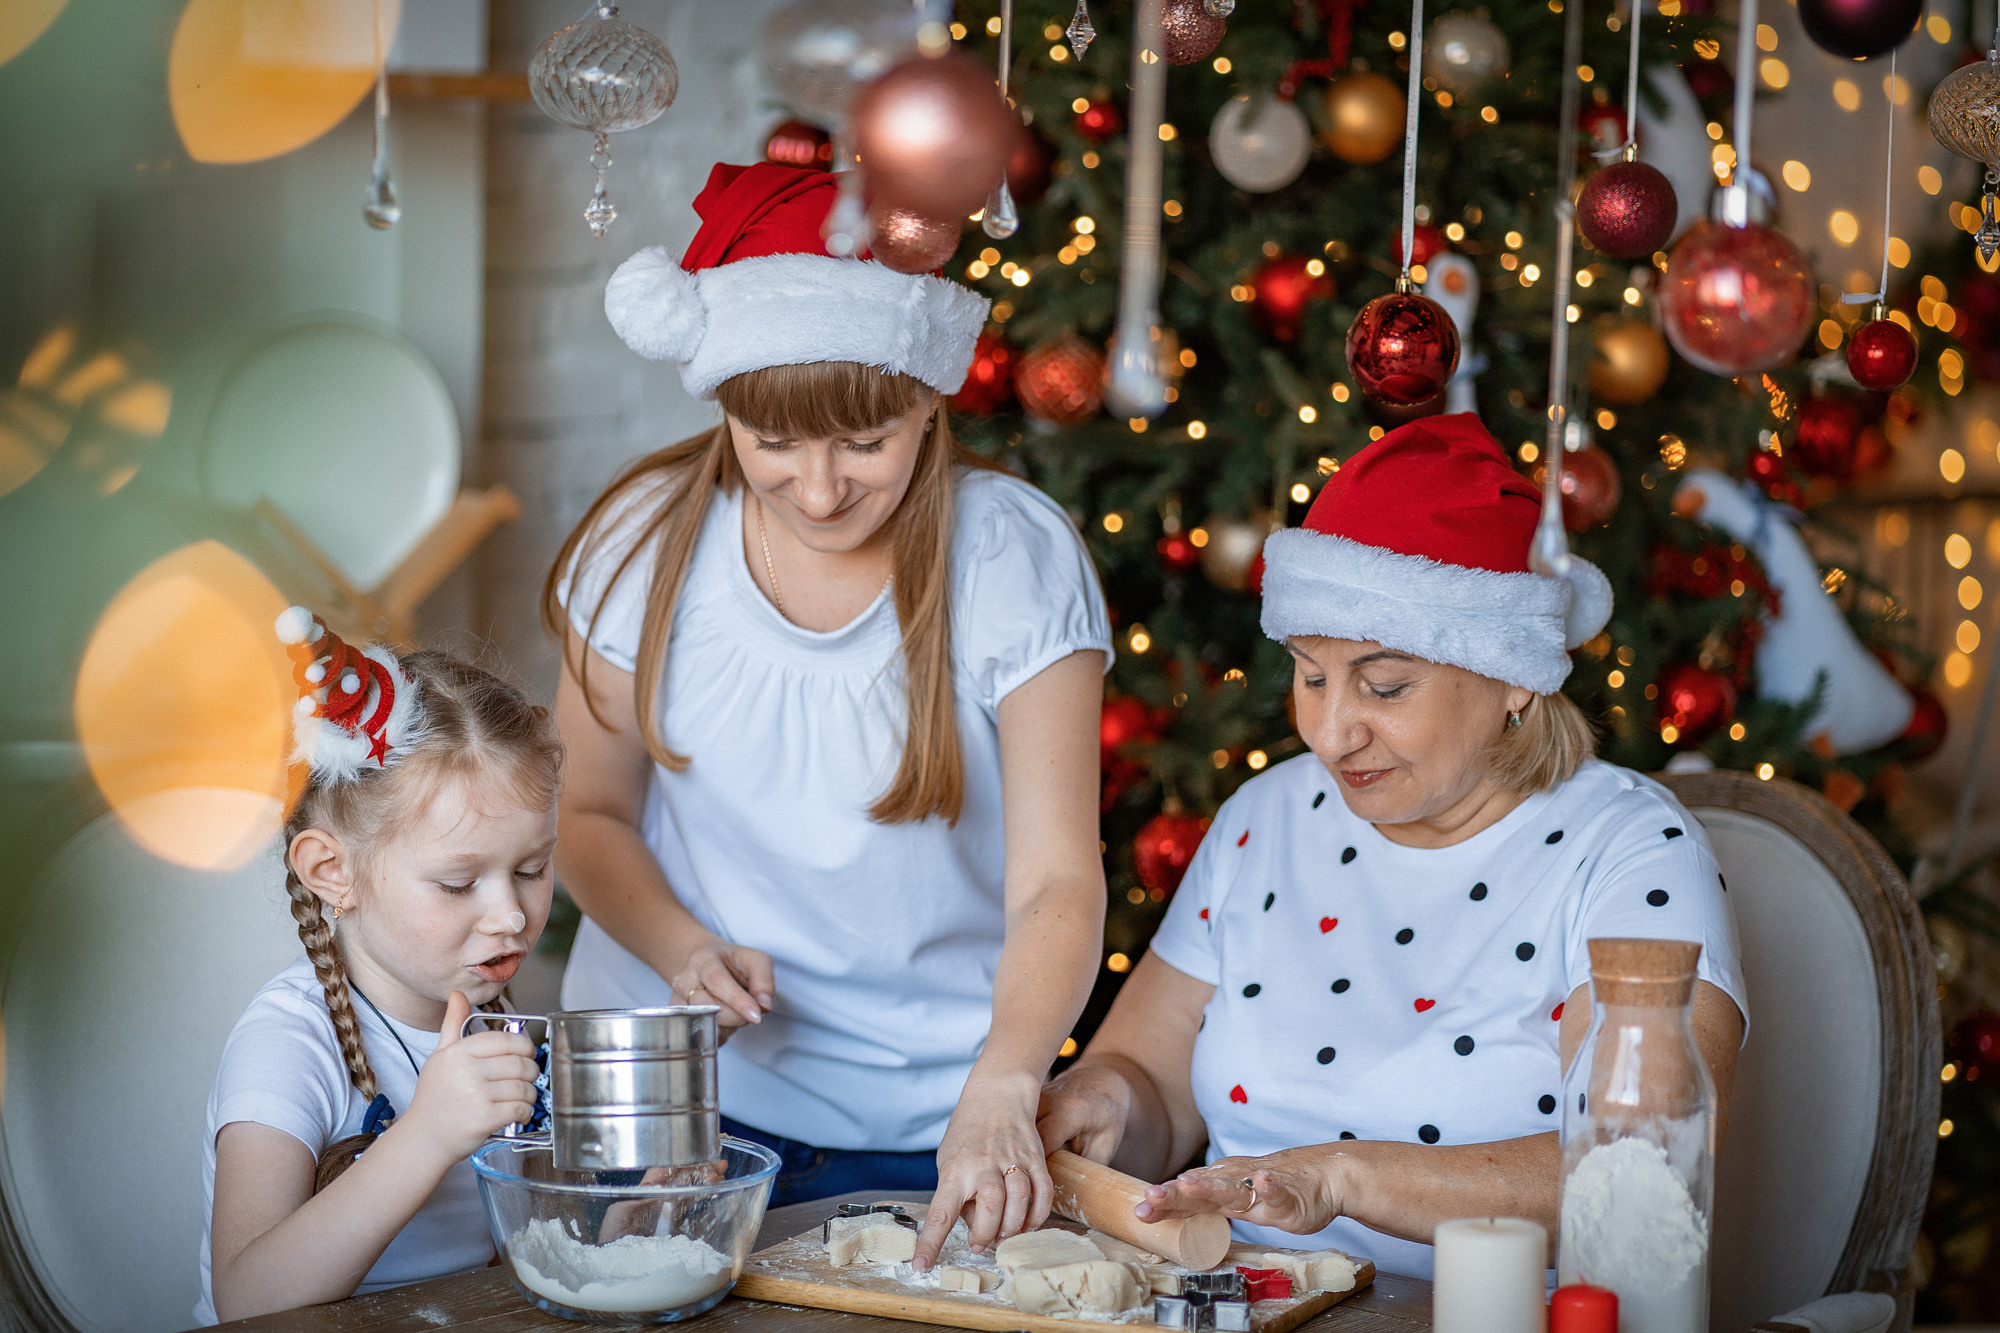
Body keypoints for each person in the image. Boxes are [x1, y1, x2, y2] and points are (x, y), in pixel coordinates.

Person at [545, 162, 1110, 1267]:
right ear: (722, 405)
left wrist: (1006, 1081)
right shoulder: (642, 543)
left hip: (931, 1120)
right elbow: (587, 813)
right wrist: (683, 947)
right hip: (673, 1105)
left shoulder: (1009, 558)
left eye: (864, 442)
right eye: (774, 446)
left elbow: (1054, 881)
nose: (817, 490)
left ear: (928, 398)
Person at [1036, 414, 1748, 1280]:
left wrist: (1340, 1176)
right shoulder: (1265, 816)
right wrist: (1099, 1101)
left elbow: (1642, 1168)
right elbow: (1149, 1075)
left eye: (1385, 685)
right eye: (1309, 674)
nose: (1333, 734)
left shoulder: (1630, 851)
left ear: (1515, 673)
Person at [197, 609, 563, 1324]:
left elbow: (539, 1253)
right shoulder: (291, 1043)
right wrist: (426, 1134)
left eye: (533, 867)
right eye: (459, 883)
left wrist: (644, 1204)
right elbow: (246, 1296)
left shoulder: (501, 1024)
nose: (512, 915)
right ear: (333, 871)